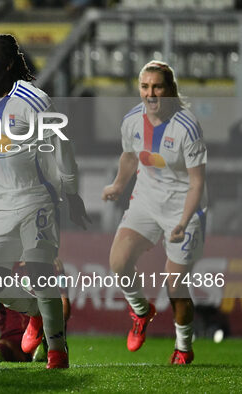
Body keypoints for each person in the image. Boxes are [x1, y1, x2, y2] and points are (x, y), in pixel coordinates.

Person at [0, 34, 89, 369]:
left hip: (36, 196)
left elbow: (63, 151)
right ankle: (36, 312)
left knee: (40, 271)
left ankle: (57, 350)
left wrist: (73, 193)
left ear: (6, 64)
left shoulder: (34, 102)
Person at [102, 60, 207, 365]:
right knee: (118, 262)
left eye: (157, 86)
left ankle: (183, 347)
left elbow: (197, 181)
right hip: (146, 200)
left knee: (175, 284)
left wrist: (184, 221)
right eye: (145, 87)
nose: (150, 93)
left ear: (170, 90)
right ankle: (140, 309)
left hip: (183, 206)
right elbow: (129, 156)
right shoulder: (132, 120)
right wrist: (119, 185)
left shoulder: (187, 127)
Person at [0, 259, 71, 363]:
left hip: (42, 331)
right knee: (3, 348)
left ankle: (46, 346)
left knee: (42, 344)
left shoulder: (51, 262)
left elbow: (63, 307)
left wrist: (49, 327)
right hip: (11, 338)